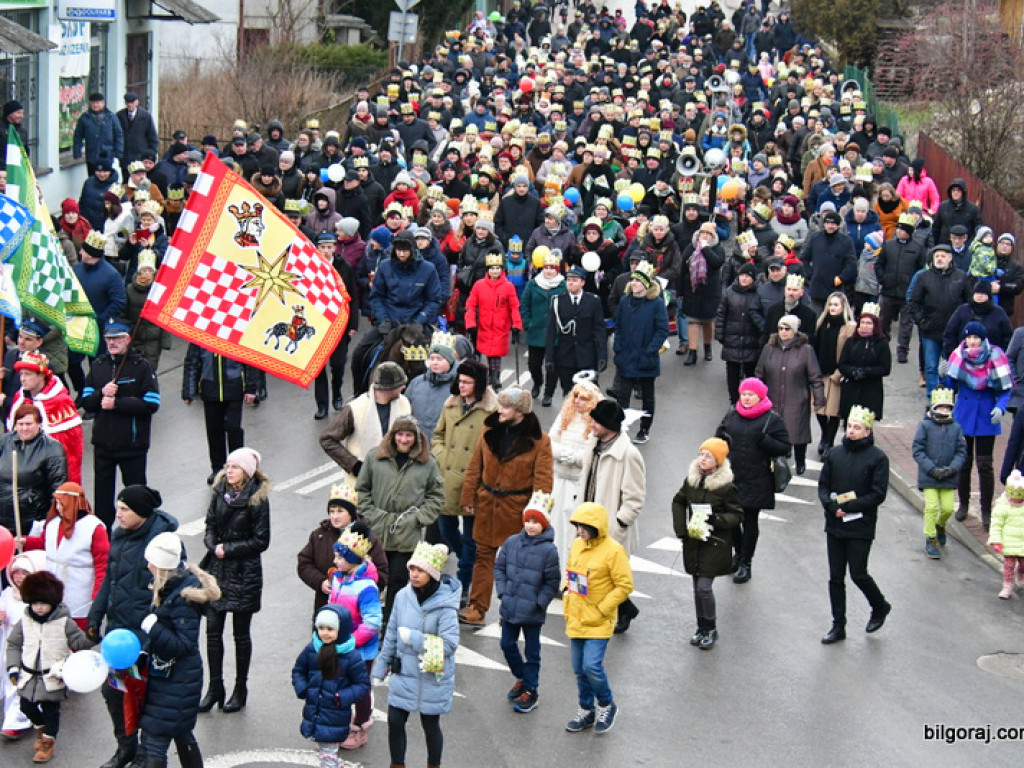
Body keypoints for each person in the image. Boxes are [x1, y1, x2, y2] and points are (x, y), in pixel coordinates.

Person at [87, 485, 176, 768]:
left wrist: (154, 636)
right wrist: (94, 617)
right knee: (113, 691)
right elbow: (109, 582)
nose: (118, 514)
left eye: (124, 509)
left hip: (145, 638)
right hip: (118, 635)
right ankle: (126, 747)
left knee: (144, 697)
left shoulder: (161, 543)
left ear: (141, 512)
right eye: (118, 508)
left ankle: (145, 753)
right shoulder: (119, 535)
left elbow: (169, 595)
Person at [458, 387, 553, 627]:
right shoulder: (489, 431)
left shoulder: (540, 442)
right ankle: (477, 609)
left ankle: (512, 612)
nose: (499, 410)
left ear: (520, 411)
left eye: (505, 407)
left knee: (518, 564)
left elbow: (543, 484)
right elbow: (474, 467)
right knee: (483, 557)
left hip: (517, 509)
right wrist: (468, 498)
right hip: (487, 504)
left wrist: (536, 516)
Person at [371, 542, 460, 768]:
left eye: (420, 570)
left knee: (430, 724)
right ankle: (397, 764)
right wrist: (380, 667)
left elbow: (450, 644)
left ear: (431, 573)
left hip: (432, 675)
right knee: (395, 720)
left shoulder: (445, 605)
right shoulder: (402, 596)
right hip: (405, 671)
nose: (414, 574)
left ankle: (434, 765)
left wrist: (415, 638)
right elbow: (391, 633)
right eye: (412, 569)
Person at [137, 531, 219, 768]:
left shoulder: (183, 599)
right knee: (182, 732)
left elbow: (183, 644)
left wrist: (153, 628)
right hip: (174, 677)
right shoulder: (173, 587)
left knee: (155, 738)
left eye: (151, 561)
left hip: (176, 679)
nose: (147, 565)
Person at [198, 447, 270, 714]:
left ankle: (241, 688)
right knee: (213, 632)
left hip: (244, 573)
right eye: (227, 466)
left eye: (234, 467)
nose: (228, 471)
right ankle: (215, 686)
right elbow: (209, 525)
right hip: (217, 570)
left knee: (241, 635)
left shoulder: (257, 499)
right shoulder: (219, 493)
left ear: (247, 472)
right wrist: (212, 543)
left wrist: (228, 549)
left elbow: (261, 540)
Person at [358, 415, 444, 629]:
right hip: (376, 532)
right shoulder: (374, 458)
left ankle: (389, 626)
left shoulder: (428, 463)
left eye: (408, 435)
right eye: (400, 434)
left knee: (397, 581)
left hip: (407, 534)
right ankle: (369, 624)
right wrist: (371, 515)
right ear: (393, 436)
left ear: (416, 438)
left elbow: (436, 497)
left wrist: (417, 519)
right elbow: (362, 490)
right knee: (373, 580)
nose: (404, 440)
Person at [817, 406, 891, 644]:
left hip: (860, 525)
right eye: (849, 426)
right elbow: (823, 486)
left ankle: (879, 605)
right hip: (835, 524)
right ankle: (838, 625)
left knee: (858, 573)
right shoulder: (835, 454)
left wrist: (849, 507)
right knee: (835, 578)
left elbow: (878, 494)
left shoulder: (878, 458)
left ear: (868, 431)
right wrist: (830, 505)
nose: (851, 431)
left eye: (857, 427)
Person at [4, 571, 93, 763]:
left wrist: (91, 637)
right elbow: (13, 644)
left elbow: (78, 642)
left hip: (53, 676)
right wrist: (13, 666)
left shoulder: (64, 622)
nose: (38, 608)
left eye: (43, 603)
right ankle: (41, 728)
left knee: (52, 711)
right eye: (34, 603)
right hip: (28, 676)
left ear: (53, 602)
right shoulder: (25, 620)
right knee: (26, 706)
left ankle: (47, 743)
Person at [81, 320, 161, 529]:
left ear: (127, 339)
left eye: (117, 338)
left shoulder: (142, 366)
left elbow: (152, 403)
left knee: (136, 496)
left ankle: (143, 532)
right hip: (103, 444)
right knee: (102, 498)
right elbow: (86, 401)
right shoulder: (98, 365)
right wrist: (101, 394)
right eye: (109, 339)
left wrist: (117, 403)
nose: (112, 342)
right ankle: (104, 539)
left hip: (132, 445)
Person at [562, 502, 633, 735]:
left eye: (585, 527)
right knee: (578, 669)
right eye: (578, 526)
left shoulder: (614, 551)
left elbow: (624, 585)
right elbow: (570, 573)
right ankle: (586, 709)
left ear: (597, 527)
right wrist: (565, 591)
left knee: (591, 666)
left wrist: (603, 608)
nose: (580, 531)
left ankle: (606, 704)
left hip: (599, 620)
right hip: (576, 616)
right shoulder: (576, 545)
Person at [577, 399, 647, 632]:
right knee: (592, 571)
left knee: (608, 575)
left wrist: (619, 523)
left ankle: (623, 610)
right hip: (587, 521)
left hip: (609, 527)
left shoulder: (628, 454)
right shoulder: (592, 445)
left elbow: (635, 497)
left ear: (610, 425)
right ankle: (614, 609)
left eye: (597, 421)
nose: (592, 424)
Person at [431, 358, 495, 602]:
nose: (462, 385)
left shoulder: (490, 412)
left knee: (470, 536)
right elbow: (437, 435)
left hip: (473, 482)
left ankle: (464, 582)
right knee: (446, 528)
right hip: (447, 478)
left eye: (468, 382)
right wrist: (441, 453)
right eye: (461, 380)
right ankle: (467, 558)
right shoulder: (450, 405)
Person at [716, 378, 790, 584]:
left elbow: (785, 447)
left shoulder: (771, 419)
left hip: (757, 479)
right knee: (731, 520)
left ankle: (745, 563)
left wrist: (765, 441)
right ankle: (737, 554)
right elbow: (718, 438)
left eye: (751, 395)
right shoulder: (732, 414)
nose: (747, 398)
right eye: (744, 394)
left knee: (749, 521)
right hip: (731, 477)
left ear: (760, 396)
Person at [671, 438, 743, 649]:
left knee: (704, 587)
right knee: (696, 586)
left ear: (718, 462)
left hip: (715, 542)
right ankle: (700, 627)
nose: (702, 459)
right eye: (701, 454)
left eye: (708, 456)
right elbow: (679, 500)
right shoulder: (692, 479)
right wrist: (681, 529)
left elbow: (737, 514)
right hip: (694, 540)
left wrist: (717, 520)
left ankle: (710, 628)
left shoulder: (726, 486)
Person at [941, 321, 1013, 529]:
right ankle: (963, 504)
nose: (972, 342)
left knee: (985, 465)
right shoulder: (958, 355)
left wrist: (1000, 407)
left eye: (976, 338)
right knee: (964, 462)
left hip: (986, 416)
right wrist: (943, 374)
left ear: (983, 339)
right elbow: (950, 387)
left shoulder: (995, 356)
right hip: (964, 414)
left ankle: (986, 510)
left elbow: (1005, 388)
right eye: (969, 337)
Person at [495, 491, 560, 714]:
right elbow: (500, 568)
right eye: (529, 520)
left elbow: (552, 582)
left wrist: (539, 602)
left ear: (544, 524)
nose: (531, 525)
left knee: (533, 652)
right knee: (506, 644)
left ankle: (532, 690)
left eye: (537, 522)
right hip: (511, 606)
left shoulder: (549, 551)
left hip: (532, 611)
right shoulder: (511, 542)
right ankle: (522, 677)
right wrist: (502, 592)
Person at [18, 482, 108, 631]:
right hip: (53, 590)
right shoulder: (53, 524)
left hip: (80, 592)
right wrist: (25, 542)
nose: (58, 508)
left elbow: (102, 564)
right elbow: (43, 543)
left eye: (62, 503)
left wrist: (97, 595)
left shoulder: (94, 528)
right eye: (57, 503)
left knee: (76, 636)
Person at [291, 605, 371, 767]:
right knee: (325, 752)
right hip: (315, 712)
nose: (324, 633)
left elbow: (362, 684)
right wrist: (304, 689)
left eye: (330, 629)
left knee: (328, 754)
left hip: (335, 714)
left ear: (341, 630)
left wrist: (341, 697)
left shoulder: (351, 656)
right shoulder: (313, 648)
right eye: (320, 628)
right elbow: (299, 670)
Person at [326, 523, 381, 750]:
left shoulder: (367, 587)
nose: (335, 561)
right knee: (340, 685)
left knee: (359, 688)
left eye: (339, 557)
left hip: (359, 650)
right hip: (339, 646)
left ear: (352, 559)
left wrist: (352, 642)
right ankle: (343, 723)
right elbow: (331, 608)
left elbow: (373, 622)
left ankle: (360, 726)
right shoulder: (338, 578)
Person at [297, 483, 388, 613]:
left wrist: (356, 590)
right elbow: (304, 563)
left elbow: (382, 573)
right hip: (325, 608)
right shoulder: (319, 536)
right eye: (332, 511)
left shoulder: (368, 539)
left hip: (356, 610)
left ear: (351, 513)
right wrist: (321, 582)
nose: (335, 516)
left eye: (340, 511)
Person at [320, 362, 411, 486]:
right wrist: (355, 466)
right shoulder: (354, 408)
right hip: (363, 484)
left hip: (396, 481)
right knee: (359, 355)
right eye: (400, 385)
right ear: (387, 389)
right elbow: (327, 439)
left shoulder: (404, 403)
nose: (404, 387)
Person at [755, 314, 825, 475]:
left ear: (794, 331)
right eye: (780, 328)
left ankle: (800, 460)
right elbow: (759, 374)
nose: (783, 332)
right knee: (772, 432)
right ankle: (774, 463)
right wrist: (755, 396)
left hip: (797, 397)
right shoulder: (769, 348)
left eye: (787, 329)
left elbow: (815, 376)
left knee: (797, 431)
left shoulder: (806, 350)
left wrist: (819, 398)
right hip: (772, 397)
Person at [182, 344, 258, 485]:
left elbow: (251, 360)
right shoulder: (201, 334)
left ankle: (238, 466)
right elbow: (191, 362)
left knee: (233, 428)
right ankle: (218, 468)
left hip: (234, 387)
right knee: (214, 430)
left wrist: (251, 388)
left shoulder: (237, 333)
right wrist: (188, 391)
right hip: (210, 388)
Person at [613, 261, 669, 444]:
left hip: (646, 359)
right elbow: (619, 326)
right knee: (623, 395)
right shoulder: (624, 301)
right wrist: (618, 348)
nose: (634, 283)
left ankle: (645, 429)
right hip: (626, 357)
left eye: (638, 281)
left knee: (647, 397)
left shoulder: (656, 303)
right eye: (633, 280)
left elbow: (662, 330)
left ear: (646, 284)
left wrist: (649, 351)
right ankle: (620, 428)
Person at [5, 353, 82, 485]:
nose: (22, 379)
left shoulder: (60, 401)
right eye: (21, 374)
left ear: (41, 375)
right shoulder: (20, 396)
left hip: (46, 474)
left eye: (27, 374)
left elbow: (70, 449)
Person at [549, 378, 601, 570]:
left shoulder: (595, 423)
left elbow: (589, 454)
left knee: (573, 533)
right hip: (558, 481)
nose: (577, 401)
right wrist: (566, 454)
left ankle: (568, 575)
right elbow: (550, 443)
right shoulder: (565, 416)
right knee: (553, 528)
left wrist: (568, 456)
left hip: (578, 486)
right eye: (576, 396)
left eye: (583, 398)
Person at [909, 245, 972, 396]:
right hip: (930, 330)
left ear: (950, 258)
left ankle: (947, 396)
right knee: (931, 366)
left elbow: (968, 302)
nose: (939, 258)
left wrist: (963, 324)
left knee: (952, 366)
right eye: (936, 256)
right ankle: (933, 398)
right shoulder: (924, 277)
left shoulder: (960, 277)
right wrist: (921, 321)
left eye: (943, 256)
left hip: (953, 332)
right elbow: (913, 302)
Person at [911, 388, 967, 559]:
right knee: (932, 507)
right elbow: (918, 450)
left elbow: (961, 451)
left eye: (947, 408)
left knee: (948, 508)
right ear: (934, 407)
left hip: (948, 477)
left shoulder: (956, 428)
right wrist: (931, 468)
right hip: (929, 476)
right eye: (941, 407)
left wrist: (952, 468)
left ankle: (940, 524)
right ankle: (931, 537)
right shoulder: (925, 426)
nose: (944, 411)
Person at [0, 403, 67, 536]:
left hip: (31, 518)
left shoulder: (52, 449)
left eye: (28, 424)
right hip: (3, 515)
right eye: (20, 424)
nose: (24, 428)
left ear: (39, 424)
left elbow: (58, 487)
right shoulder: (4, 441)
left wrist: (50, 521)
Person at [544, 267, 607, 406]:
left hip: (587, 356)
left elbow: (600, 331)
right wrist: (549, 358)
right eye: (569, 280)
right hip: (565, 356)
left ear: (582, 283)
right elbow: (551, 332)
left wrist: (602, 356)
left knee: (589, 395)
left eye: (575, 280)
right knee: (569, 395)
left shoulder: (593, 301)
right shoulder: (557, 301)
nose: (570, 283)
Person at [0, 551, 44, 741]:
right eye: (15, 572)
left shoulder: (40, 597)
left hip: (31, 647)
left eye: (24, 573)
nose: (18, 577)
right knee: (10, 681)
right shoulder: (7, 594)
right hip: (9, 645)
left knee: (21, 682)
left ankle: (16, 722)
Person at [465, 252, 523, 389]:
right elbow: (470, 305)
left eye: (497, 268)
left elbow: (514, 307)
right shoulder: (479, 285)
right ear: (487, 270)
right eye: (492, 268)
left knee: (495, 355)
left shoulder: (508, 286)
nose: (495, 271)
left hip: (500, 327)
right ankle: (479, 378)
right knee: (477, 354)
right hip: (483, 326)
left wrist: (516, 325)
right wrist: (470, 324)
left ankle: (495, 377)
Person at [812, 292, 857, 457]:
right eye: (830, 304)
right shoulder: (822, 323)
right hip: (820, 373)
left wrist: (841, 372)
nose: (832, 308)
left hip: (837, 374)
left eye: (836, 305)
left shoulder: (850, 327)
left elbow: (851, 352)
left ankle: (829, 442)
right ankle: (824, 435)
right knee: (819, 409)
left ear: (843, 307)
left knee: (833, 411)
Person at [517, 249, 566, 398]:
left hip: (556, 333)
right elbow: (524, 304)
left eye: (552, 268)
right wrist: (528, 322)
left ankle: (548, 393)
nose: (549, 271)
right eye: (546, 268)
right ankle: (537, 382)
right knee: (534, 365)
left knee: (552, 366)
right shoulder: (533, 283)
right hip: (536, 331)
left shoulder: (563, 285)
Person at [715, 262, 764, 405]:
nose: (744, 278)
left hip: (751, 341)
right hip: (732, 340)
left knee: (751, 373)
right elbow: (721, 314)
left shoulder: (758, 294)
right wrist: (720, 335)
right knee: (732, 374)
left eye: (747, 276)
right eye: (742, 275)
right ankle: (734, 401)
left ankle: (751, 401)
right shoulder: (729, 292)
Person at [837, 302, 892, 425]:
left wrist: (866, 372)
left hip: (870, 389)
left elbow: (885, 368)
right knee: (849, 422)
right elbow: (842, 364)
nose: (865, 326)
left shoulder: (881, 343)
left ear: (875, 325)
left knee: (866, 424)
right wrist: (853, 371)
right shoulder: (851, 341)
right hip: (851, 387)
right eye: (862, 322)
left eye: (869, 323)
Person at [679, 222, 726, 366]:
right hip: (692, 290)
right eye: (702, 233)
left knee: (708, 322)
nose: (704, 236)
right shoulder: (690, 247)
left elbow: (717, 262)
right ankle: (692, 352)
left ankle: (707, 347)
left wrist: (705, 248)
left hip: (710, 292)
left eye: (708, 234)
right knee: (692, 321)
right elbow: (682, 268)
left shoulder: (717, 248)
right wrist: (680, 290)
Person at [405, 333, 459, 440]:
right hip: (418, 443)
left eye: (439, 359)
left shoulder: (458, 385)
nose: (434, 363)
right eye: (432, 358)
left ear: (450, 360)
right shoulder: (416, 383)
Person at [989, 470, 1024, 599]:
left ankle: (1021, 572)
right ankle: (1007, 586)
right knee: (1008, 565)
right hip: (1009, 542)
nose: (1017, 499)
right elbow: (996, 524)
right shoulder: (1002, 506)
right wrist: (996, 540)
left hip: (1022, 542)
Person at [72, 93, 124, 175]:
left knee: (107, 178)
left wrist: (118, 152)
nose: (95, 105)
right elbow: (78, 136)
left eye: (98, 102)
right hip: (92, 156)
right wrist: (77, 152)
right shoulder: (84, 118)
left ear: (103, 103)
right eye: (93, 103)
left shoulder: (111, 117)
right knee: (93, 179)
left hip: (108, 155)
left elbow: (118, 135)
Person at [116, 92, 159, 168]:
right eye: (127, 102)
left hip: (141, 156)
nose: (129, 105)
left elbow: (152, 137)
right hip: (125, 156)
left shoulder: (146, 116)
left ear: (137, 102)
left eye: (132, 102)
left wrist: (151, 155)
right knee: (126, 178)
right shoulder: (119, 115)